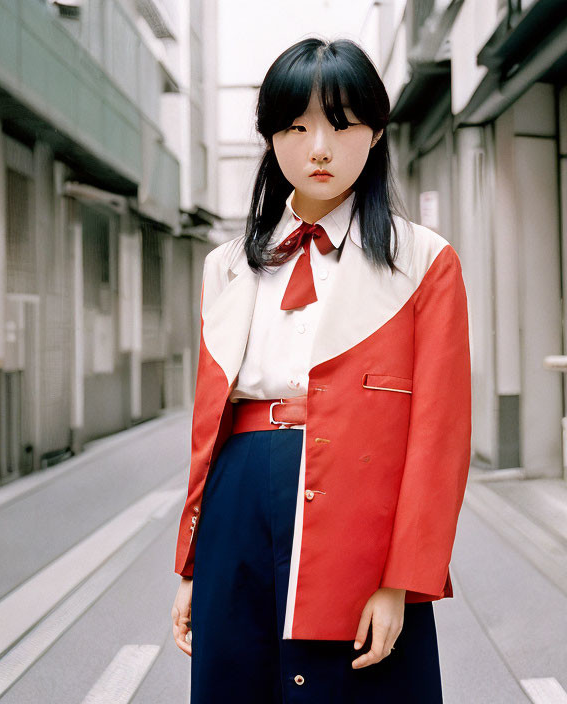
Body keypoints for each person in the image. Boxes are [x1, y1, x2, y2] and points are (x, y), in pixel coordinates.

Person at [171, 36, 471, 703]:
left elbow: (438, 439)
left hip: (360, 514)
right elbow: (207, 430)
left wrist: (403, 580)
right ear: (270, 138)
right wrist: (192, 566)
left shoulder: (424, 261)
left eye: (340, 123)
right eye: (295, 126)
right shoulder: (224, 267)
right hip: (238, 510)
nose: (319, 148)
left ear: (377, 130)